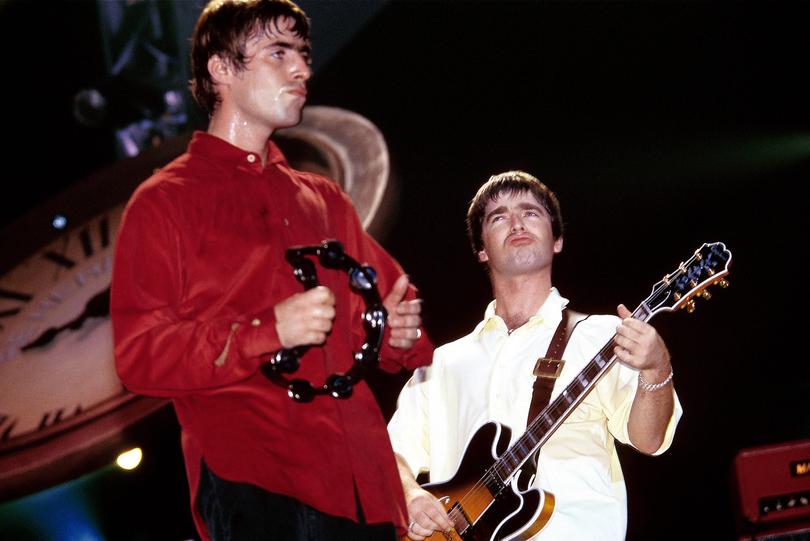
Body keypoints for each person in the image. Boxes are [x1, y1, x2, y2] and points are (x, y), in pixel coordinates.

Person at [110, 1, 432, 540]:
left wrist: (397, 332)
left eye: (303, 54)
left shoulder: (325, 200)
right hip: (257, 479)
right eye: (277, 52)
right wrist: (267, 332)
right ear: (221, 69)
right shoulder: (164, 201)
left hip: (365, 488)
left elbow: (394, 310)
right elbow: (139, 354)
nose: (302, 68)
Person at [387, 170, 682, 541]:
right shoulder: (439, 363)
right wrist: (411, 495)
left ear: (557, 239)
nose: (515, 223)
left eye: (530, 212)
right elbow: (389, 455)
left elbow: (649, 439)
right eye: (498, 217)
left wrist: (656, 367)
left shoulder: (604, 336)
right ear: (481, 249)